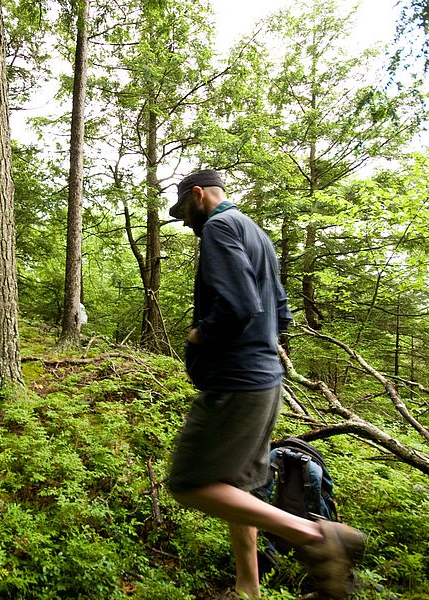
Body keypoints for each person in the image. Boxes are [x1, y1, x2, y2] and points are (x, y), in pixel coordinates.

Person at [167, 169, 365, 599]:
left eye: (184, 210)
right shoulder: (254, 231)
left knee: (186, 483)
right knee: (240, 486)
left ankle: (317, 538)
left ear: (198, 195)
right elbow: (281, 310)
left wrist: (199, 334)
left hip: (236, 383)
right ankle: (247, 588)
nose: (185, 221)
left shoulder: (218, 228)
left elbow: (238, 306)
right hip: (263, 379)